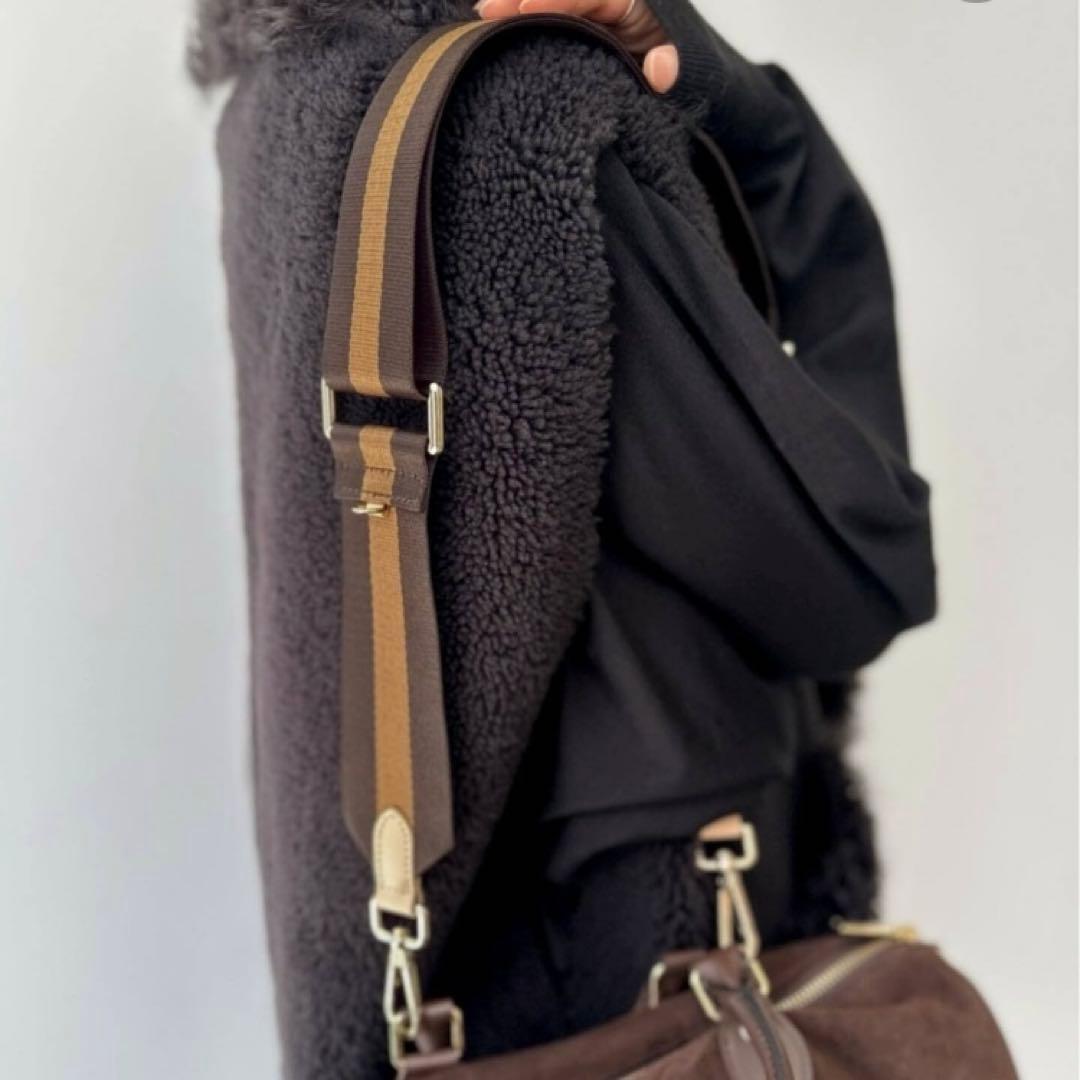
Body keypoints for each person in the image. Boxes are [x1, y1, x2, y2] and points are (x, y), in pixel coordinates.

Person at [193, 0, 935, 1073]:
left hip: (480, 957)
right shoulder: (531, 107)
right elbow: (861, 569)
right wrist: (755, 124)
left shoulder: (284, 94)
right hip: (646, 941)